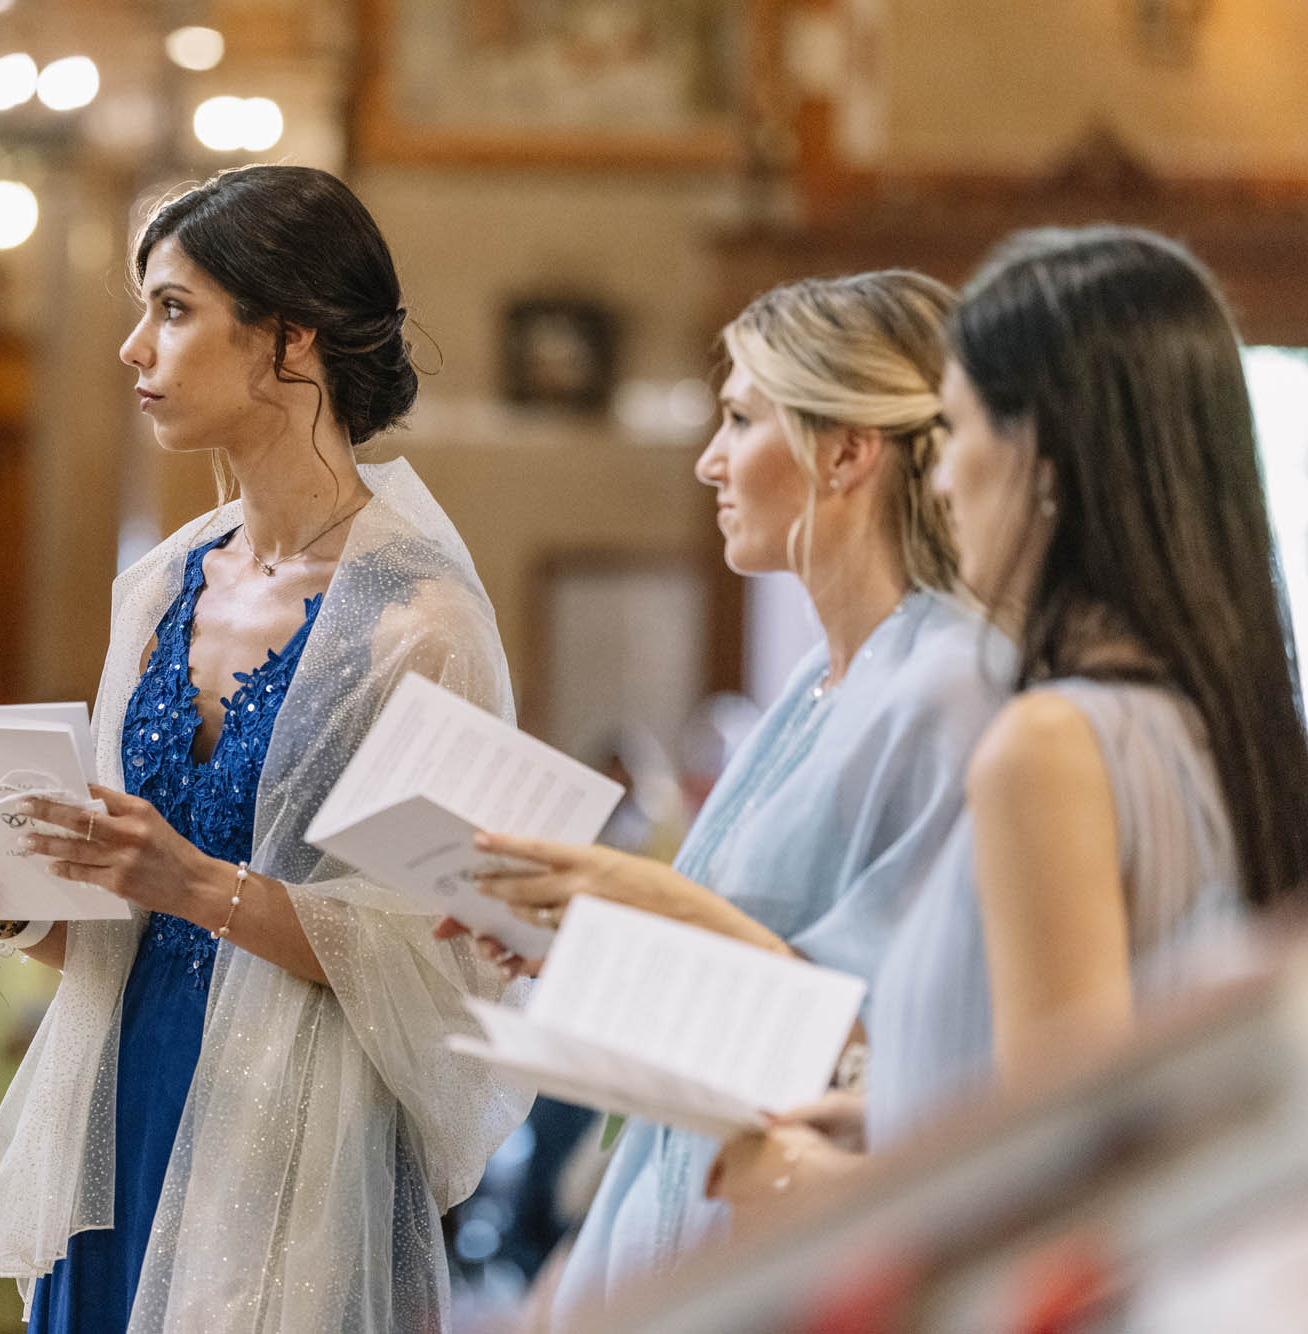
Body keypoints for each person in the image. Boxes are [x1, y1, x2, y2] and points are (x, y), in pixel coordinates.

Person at [0, 165, 529, 1332]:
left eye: (174, 308)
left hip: (294, 1138)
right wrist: (10, 905)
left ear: (287, 341)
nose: (135, 348)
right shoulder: (158, 586)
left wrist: (194, 882)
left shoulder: (419, 622)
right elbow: (124, 927)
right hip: (118, 1098)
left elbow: (453, 960)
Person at [452, 270, 1015, 1324]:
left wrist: (646, 901)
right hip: (677, 1195)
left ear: (846, 448)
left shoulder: (953, 685)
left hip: (803, 1221)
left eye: (741, 419)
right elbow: (754, 977)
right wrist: (581, 943)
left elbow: (916, 1031)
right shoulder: (813, 680)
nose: (709, 459)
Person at [710, 226, 1308, 1208]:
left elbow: (1064, 1188)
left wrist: (808, 1180)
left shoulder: (1048, 745)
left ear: (1040, 457)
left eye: (956, 428)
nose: (939, 479)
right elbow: (1129, 1071)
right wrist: (897, 1109)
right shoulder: (1228, 721)